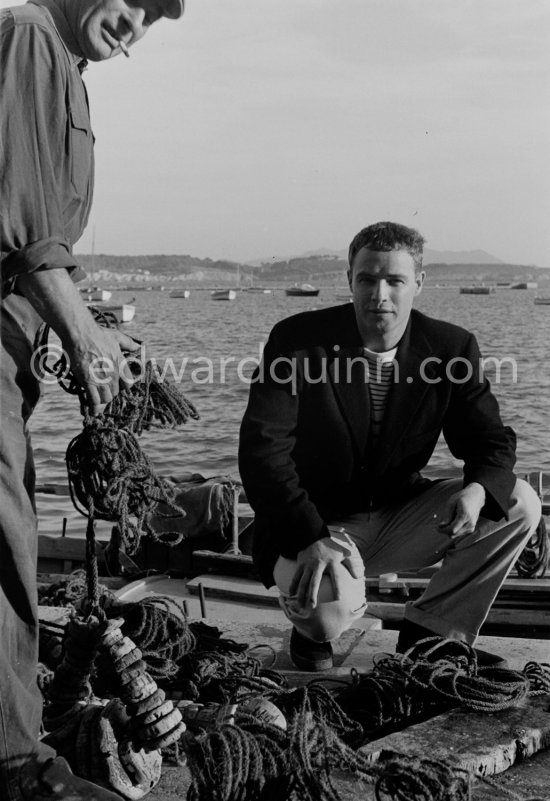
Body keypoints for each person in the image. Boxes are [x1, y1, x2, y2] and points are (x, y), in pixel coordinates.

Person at [0, 0, 184, 798]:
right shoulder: (30, 36)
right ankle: (12, 762)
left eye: (156, 17)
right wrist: (79, 335)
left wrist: (97, 328)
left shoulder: (65, 68)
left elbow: (41, 250)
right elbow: (20, 222)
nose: (137, 23)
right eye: (136, 0)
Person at [239, 221, 541, 674]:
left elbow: (490, 441)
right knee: (327, 616)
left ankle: (431, 640)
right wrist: (309, 537)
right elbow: (263, 451)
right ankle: (307, 635)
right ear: (349, 280)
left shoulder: (451, 348)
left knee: (519, 502)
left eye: (395, 280)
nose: (379, 293)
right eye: (367, 279)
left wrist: (477, 491)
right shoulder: (297, 341)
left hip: (401, 515)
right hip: (318, 523)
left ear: (418, 283)